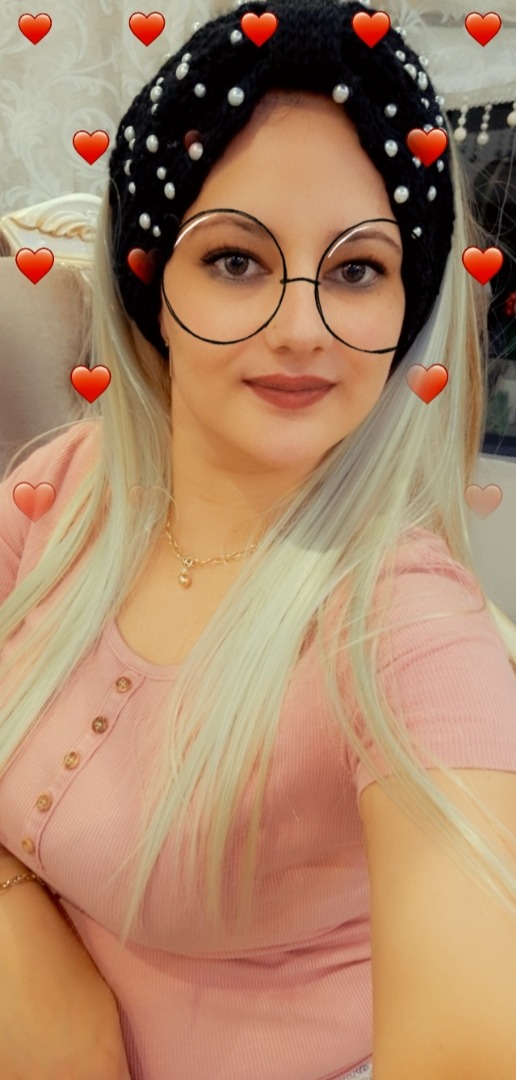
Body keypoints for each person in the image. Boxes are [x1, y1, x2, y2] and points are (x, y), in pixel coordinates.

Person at [1, 1, 516, 1078]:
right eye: (237, 260)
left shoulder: (405, 630)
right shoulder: (63, 492)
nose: (300, 328)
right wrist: (32, 961)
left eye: (358, 269)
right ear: (151, 284)